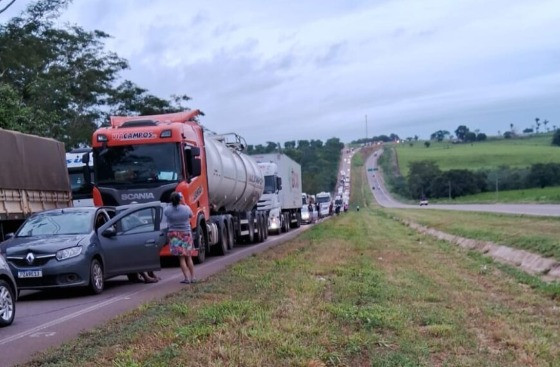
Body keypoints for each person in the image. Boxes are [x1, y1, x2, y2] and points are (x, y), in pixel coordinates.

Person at [164, 192, 197, 284]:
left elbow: (166, 214)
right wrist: (184, 204)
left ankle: (186, 278)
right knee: (188, 256)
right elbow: (191, 215)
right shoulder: (186, 208)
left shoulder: (167, 210)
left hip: (174, 235)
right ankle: (193, 277)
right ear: (180, 199)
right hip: (186, 233)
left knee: (181, 258)